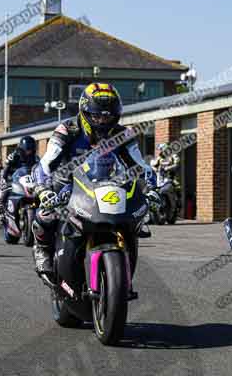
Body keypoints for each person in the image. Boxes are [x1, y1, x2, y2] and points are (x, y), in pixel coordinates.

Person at [31, 82, 159, 275]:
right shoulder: (67, 130)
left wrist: (152, 188)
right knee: (45, 215)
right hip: (69, 185)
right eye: (96, 115)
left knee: (138, 218)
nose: (102, 121)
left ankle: (124, 263)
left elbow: (140, 166)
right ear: (84, 112)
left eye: (108, 116)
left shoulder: (123, 134)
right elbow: (46, 163)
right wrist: (43, 189)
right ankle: (42, 250)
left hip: (111, 185)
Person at [0, 136, 39, 239]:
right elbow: (4, 171)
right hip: (12, 182)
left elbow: (40, 171)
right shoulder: (13, 156)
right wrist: (4, 181)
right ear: (21, 149)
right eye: (27, 150)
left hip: (28, 183)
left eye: (31, 150)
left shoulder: (37, 159)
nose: (29, 152)